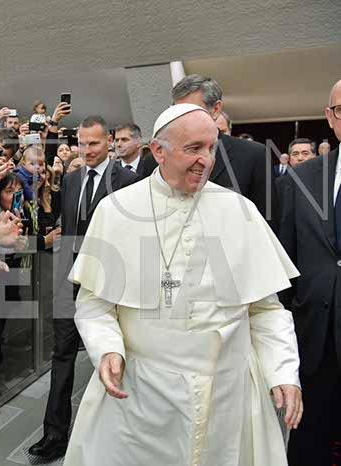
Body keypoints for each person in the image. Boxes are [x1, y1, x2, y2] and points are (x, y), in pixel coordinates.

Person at [65, 104, 301, 466]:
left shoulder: (240, 210)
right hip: (143, 393)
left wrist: (282, 371)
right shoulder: (115, 210)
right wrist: (107, 348)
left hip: (229, 393)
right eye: (193, 148)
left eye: (212, 148)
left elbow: (265, 309)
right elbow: (94, 304)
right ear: (158, 151)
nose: (207, 160)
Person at [29, 115, 138, 459]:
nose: (87, 150)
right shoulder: (71, 179)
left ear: (109, 142)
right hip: (71, 280)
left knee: (115, 356)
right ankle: (55, 434)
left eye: (94, 143)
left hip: (112, 282)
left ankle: (118, 437)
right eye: (82, 143)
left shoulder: (129, 180)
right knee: (62, 353)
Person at [278, 78, 341, 466]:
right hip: (315, 338)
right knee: (310, 447)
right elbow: (286, 258)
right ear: (330, 118)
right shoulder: (302, 178)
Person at [172, 75, 274, 225]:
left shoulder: (253, 155)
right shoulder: (159, 157)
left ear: (215, 109)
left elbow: (267, 221)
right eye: (177, 110)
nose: (182, 117)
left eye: (192, 111)